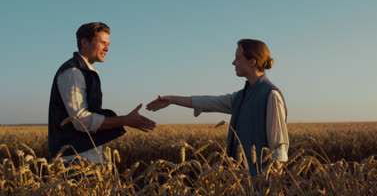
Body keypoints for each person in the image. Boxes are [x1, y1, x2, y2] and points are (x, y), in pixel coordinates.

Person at [146, 39, 288, 176]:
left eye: (237, 58)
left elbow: (278, 147)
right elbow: (209, 101)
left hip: (263, 183)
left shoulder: (271, 95)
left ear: (252, 62)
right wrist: (171, 99)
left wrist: (274, 186)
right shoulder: (241, 96)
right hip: (242, 180)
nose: (233, 62)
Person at [48, 22, 156, 165]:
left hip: (87, 156)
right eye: (103, 43)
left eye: (108, 44)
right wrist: (125, 120)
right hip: (74, 160)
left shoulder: (85, 70)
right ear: (85, 42)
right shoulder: (73, 72)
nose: (107, 49)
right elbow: (80, 121)